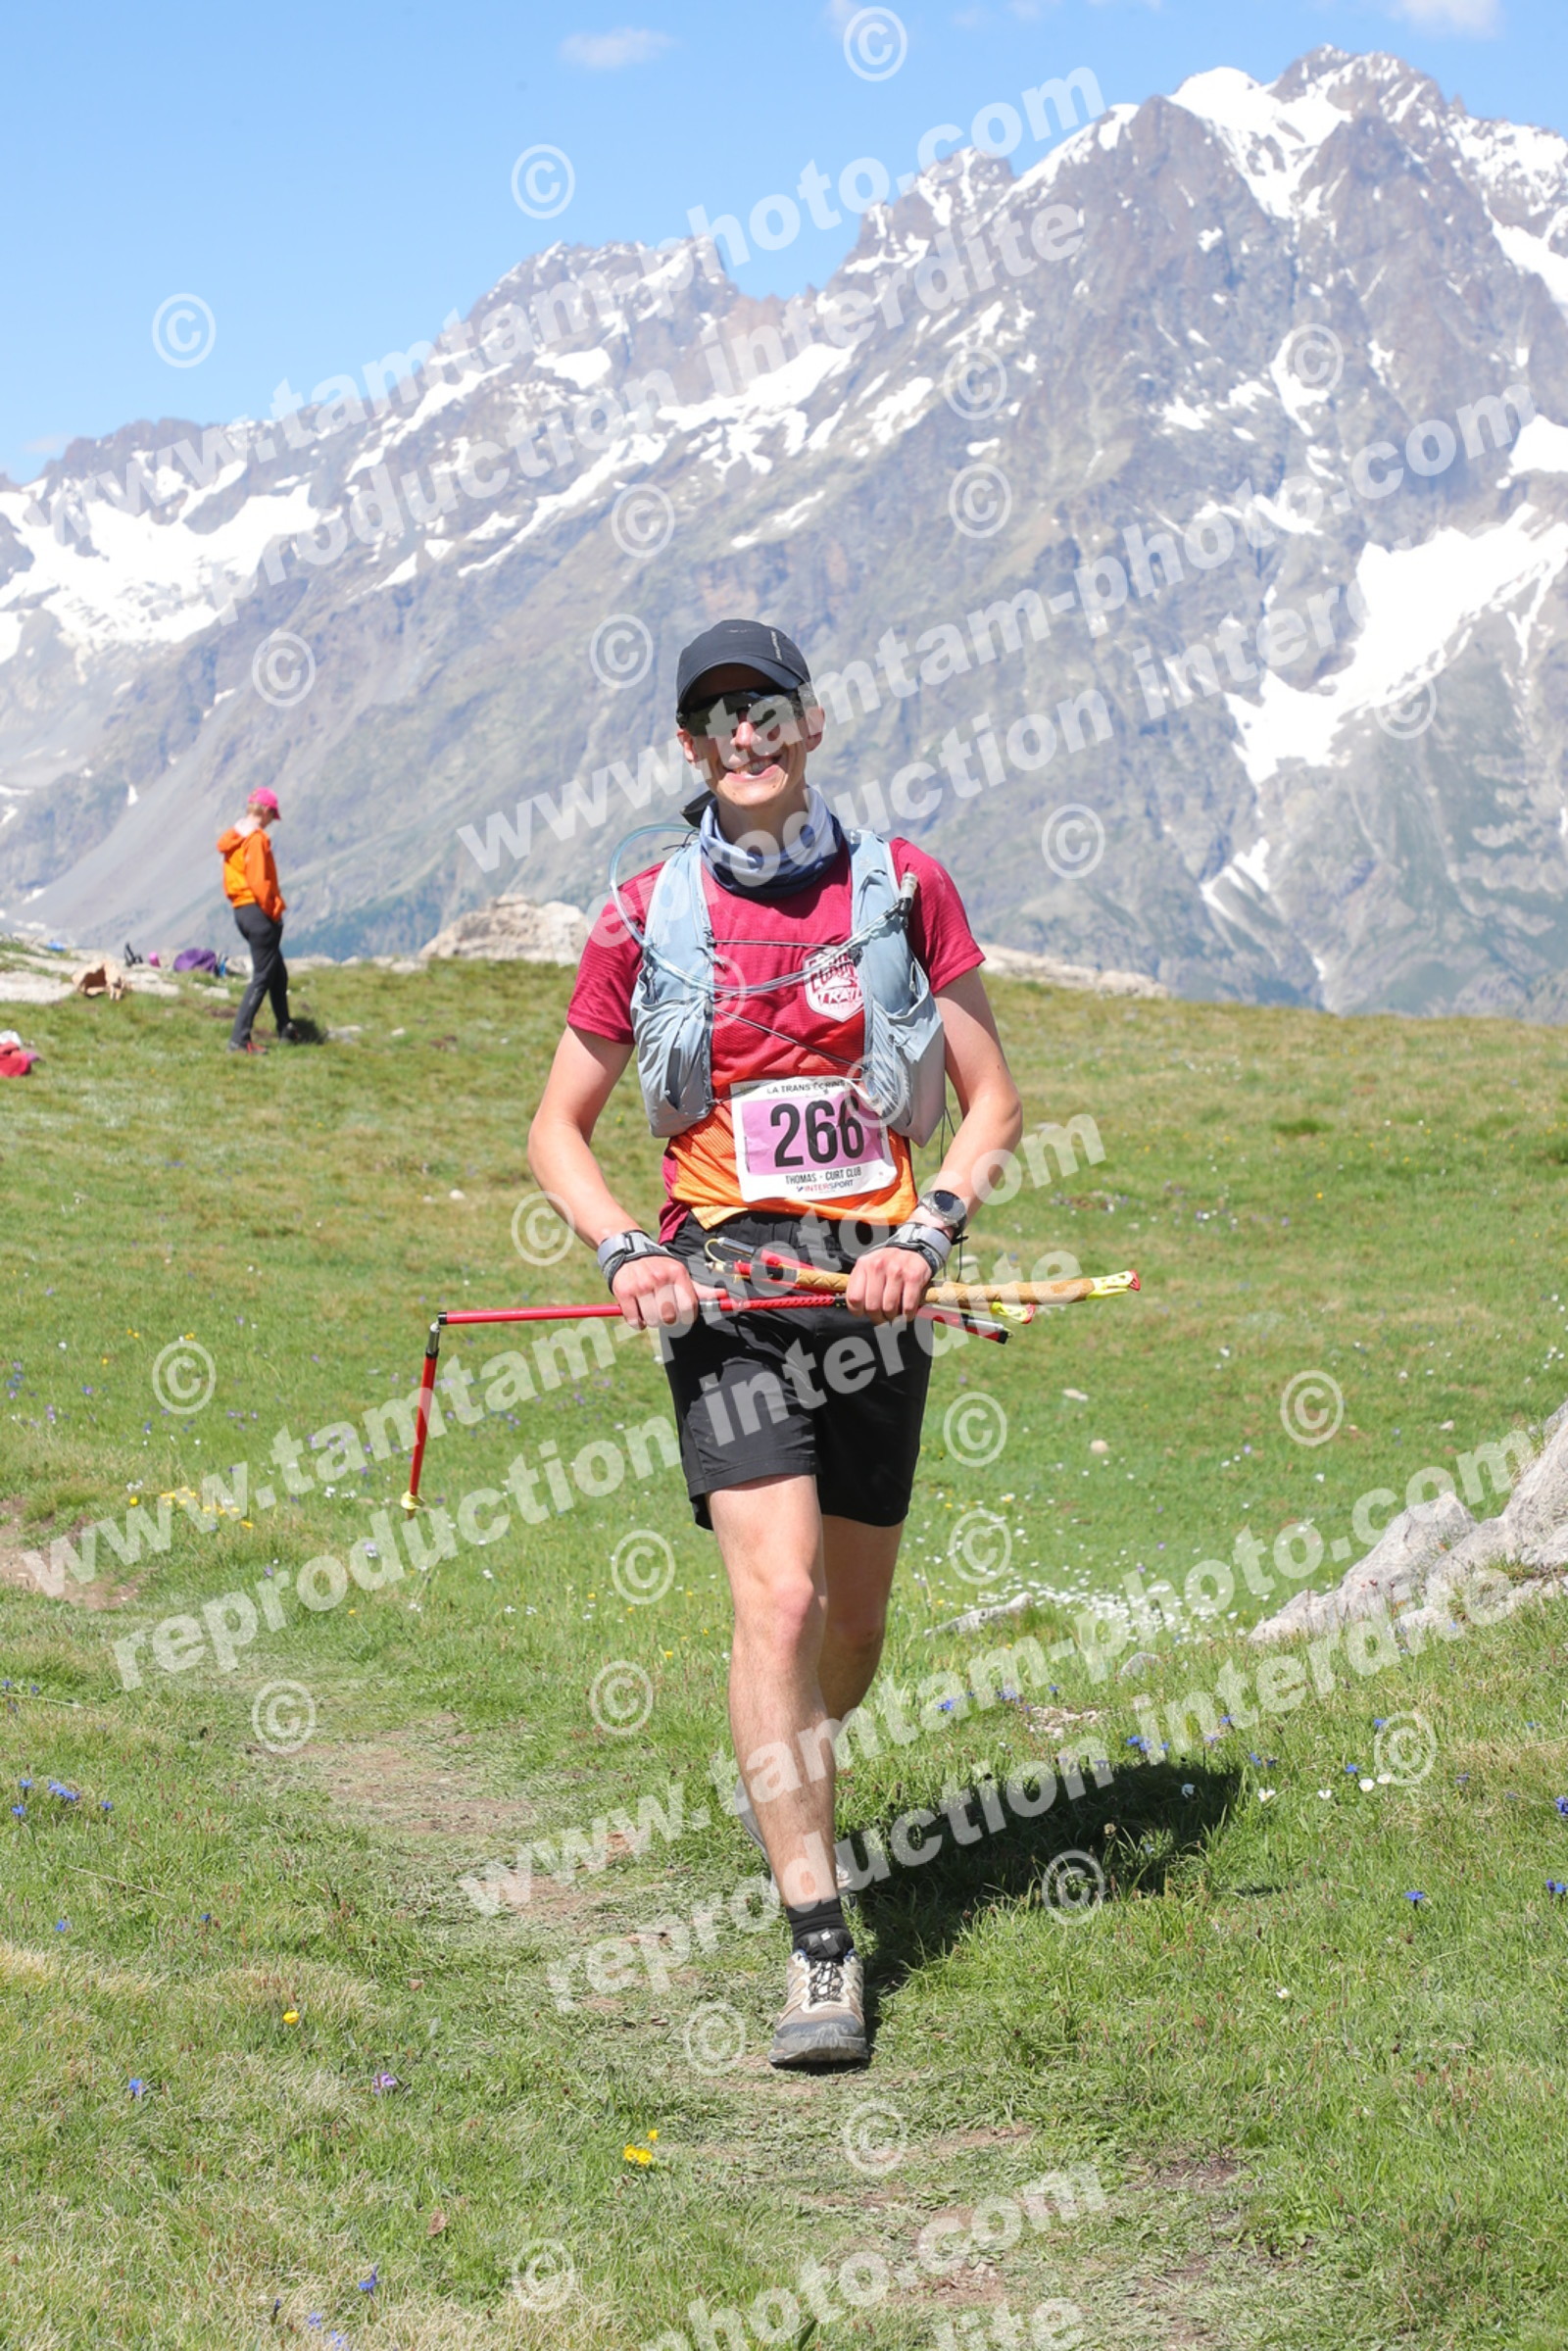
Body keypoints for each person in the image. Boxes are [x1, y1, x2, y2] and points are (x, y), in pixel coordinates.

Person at [527, 617, 1022, 2068]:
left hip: (876, 1289)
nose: (745, 733)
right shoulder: (643, 914)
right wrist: (628, 1250)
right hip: (724, 1290)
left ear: (813, 725)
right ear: (691, 749)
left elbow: (990, 1102)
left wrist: (929, 1232)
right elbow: (557, 1127)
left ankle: (784, 1757)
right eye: (716, 716)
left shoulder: (904, 887)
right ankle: (819, 1939)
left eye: (768, 708)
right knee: (783, 1600)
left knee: (850, 1631)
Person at [218, 788, 297, 1053]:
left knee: (277, 971)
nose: (272, 820)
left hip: (241, 910)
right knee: (262, 977)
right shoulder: (256, 839)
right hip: (257, 911)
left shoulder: (235, 837)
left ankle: (285, 1027)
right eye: (272, 815)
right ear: (264, 811)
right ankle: (239, 1040)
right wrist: (274, 911)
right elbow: (258, 881)